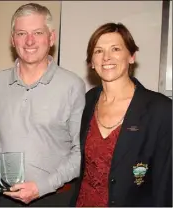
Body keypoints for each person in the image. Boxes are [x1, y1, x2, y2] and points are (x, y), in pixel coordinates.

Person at [0, 3, 86, 207]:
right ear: (12, 40)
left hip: (54, 198)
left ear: (51, 38)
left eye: (37, 32)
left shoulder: (73, 85)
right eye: (21, 33)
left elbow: (80, 153)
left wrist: (43, 186)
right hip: (4, 199)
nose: (29, 41)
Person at [71, 22, 172, 207]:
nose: (106, 57)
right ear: (91, 62)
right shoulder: (86, 102)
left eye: (115, 49)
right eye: (98, 51)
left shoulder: (161, 109)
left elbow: (165, 185)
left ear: (131, 56)